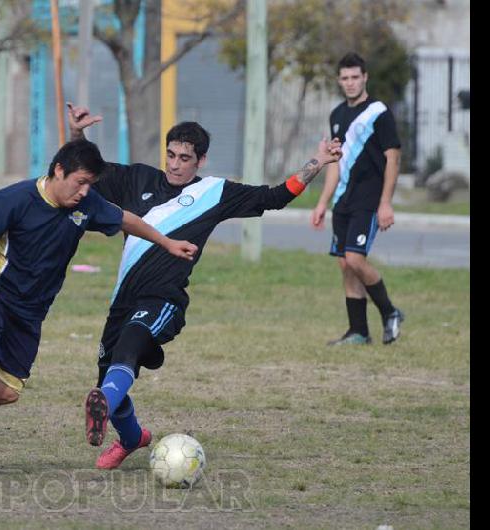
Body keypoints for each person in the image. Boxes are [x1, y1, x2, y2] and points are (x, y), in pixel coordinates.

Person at [66, 102, 342, 469]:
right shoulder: (137, 179)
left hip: (163, 298)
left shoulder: (214, 193)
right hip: (123, 299)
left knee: (131, 344)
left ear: (201, 161)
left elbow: (274, 196)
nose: (176, 164)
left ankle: (106, 402)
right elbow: (89, 172)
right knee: (109, 375)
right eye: (171, 155)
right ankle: (133, 437)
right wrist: (77, 134)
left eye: (185, 157)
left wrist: (318, 162)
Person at [0, 139, 198, 481]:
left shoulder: (86, 204)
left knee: (6, 392)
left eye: (90, 184)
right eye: (80, 182)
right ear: (59, 171)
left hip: (30, 312)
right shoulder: (15, 199)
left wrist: (167, 243)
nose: (84, 191)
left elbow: (125, 219)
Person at [311, 52, 405, 346]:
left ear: (365, 78)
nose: (350, 83)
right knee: (344, 264)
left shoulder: (378, 112)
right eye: (345, 78)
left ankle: (390, 312)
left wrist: (386, 202)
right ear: (339, 81)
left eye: (355, 77)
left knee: (355, 258)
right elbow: (336, 163)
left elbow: (394, 158)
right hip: (343, 200)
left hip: (369, 198)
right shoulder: (337, 115)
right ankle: (359, 332)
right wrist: (323, 202)